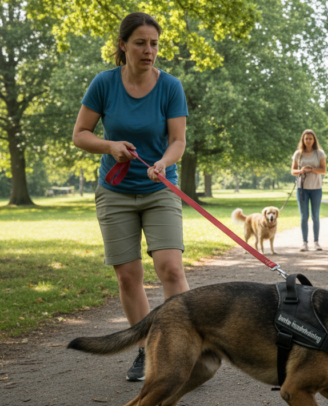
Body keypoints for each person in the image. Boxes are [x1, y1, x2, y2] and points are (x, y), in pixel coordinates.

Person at [72, 12, 190, 382]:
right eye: (140, 42)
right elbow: (80, 134)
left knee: (170, 268)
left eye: (154, 43)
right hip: (116, 192)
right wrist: (109, 145)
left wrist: (162, 163)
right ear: (123, 45)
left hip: (159, 189)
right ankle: (145, 350)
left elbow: (178, 141)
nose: (149, 50)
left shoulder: (170, 86)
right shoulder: (104, 84)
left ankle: (185, 349)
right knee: (128, 276)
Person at [290, 129, 327, 252]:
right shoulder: (298, 154)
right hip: (302, 189)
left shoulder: (319, 153)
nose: (308, 141)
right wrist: (301, 171)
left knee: (315, 216)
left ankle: (316, 242)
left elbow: (323, 170)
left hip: (316, 188)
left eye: (310, 138)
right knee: (303, 216)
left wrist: (311, 169)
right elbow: (293, 171)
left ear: (314, 140)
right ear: (303, 140)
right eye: (306, 138)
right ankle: (304, 243)